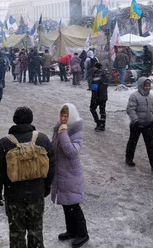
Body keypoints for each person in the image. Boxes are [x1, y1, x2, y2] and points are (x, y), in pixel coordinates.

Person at [0, 107, 55, 248]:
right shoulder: (42, 139)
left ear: (15, 120)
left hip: (14, 195)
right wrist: (47, 185)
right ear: (31, 120)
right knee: (36, 231)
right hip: (36, 193)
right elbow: (51, 164)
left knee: (17, 233)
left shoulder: (4, 143)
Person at [51, 104, 89, 248]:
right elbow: (53, 146)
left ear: (71, 116)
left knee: (73, 204)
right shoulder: (58, 128)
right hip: (61, 172)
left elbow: (72, 151)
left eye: (66, 116)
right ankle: (71, 231)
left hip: (71, 174)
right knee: (66, 204)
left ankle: (83, 234)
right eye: (61, 115)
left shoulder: (75, 131)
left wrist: (63, 133)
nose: (63, 118)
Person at [125, 78, 153, 173]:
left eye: (148, 86)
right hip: (136, 124)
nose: (147, 88)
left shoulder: (150, 97)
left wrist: (152, 119)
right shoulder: (134, 96)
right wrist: (135, 120)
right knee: (132, 142)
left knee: (151, 145)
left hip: (147, 125)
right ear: (141, 86)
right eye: (145, 86)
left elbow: (151, 110)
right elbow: (130, 109)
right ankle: (129, 158)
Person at [89, 63, 108, 132]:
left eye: (94, 67)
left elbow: (95, 87)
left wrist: (94, 97)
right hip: (104, 95)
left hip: (97, 96)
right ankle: (102, 125)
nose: (93, 68)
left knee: (92, 108)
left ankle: (98, 123)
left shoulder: (97, 75)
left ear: (96, 67)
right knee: (102, 110)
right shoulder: (104, 74)